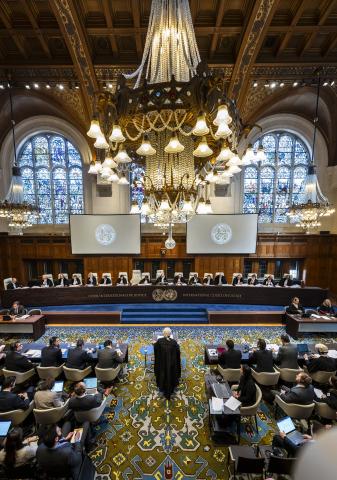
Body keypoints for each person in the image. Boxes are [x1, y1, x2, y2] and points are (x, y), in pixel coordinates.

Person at [154, 327, 181, 400]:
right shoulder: (174, 342)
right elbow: (178, 352)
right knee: (171, 374)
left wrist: (154, 343)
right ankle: (171, 388)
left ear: (163, 334)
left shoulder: (159, 341)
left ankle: (162, 386)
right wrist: (178, 344)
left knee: (162, 373)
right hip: (172, 365)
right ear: (170, 334)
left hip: (162, 364)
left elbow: (156, 350)